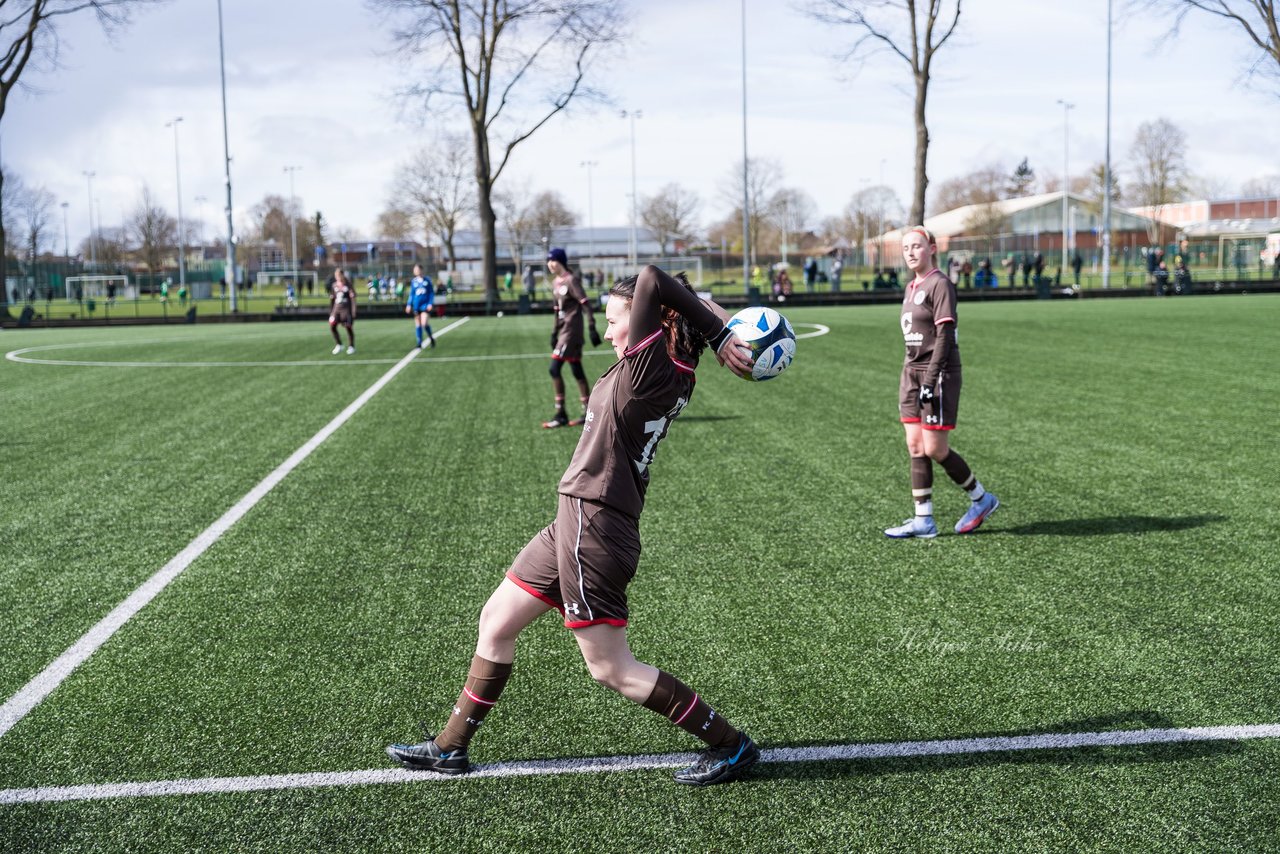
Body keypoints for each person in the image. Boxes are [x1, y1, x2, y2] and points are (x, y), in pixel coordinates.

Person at [386, 264, 761, 787]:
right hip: (577, 517)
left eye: (614, 321)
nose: (606, 332)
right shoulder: (667, 362)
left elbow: (654, 276)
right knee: (496, 620)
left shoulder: (648, 366)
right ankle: (450, 748)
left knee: (610, 669)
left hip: (597, 526)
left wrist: (721, 331)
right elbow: (674, 294)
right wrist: (710, 324)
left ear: (650, 323)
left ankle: (731, 744)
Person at [885, 226, 999, 539]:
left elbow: (945, 335)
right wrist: (913, 374)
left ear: (932, 248)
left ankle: (981, 499)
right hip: (911, 371)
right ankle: (923, 520)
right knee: (914, 445)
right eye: (906, 247)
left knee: (935, 447)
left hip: (939, 372)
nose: (910, 252)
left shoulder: (940, 284)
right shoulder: (911, 287)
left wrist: (931, 378)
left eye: (917, 246)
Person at [543, 247, 600, 428]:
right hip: (563, 331)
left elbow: (586, 305)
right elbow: (557, 311)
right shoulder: (556, 283)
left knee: (554, 368)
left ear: (561, 261)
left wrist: (591, 327)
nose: (550, 264)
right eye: (548, 260)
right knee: (576, 369)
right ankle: (587, 412)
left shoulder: (571, 280)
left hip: (572, 331)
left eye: (553, 260)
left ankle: (561, 413)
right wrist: (554, 332)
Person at [405, 264, 437, 348]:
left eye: (417, 269)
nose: (415, 271)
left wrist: (430, 303)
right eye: (414, 269)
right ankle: (419, 343)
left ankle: (431, 338)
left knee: (424, 323)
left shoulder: (427, 280)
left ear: (421, 270)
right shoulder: (414, 281)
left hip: (425, 305)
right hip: (416, 305)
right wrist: (408, 305)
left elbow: (431, 293)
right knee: (418, 324)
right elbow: (412, 294)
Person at [328, 268, 357, 354]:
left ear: (343, 275)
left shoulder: (348, 285)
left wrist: (353, 311)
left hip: (346, 310)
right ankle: (339, 344)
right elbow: (332, 299)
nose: (338, 277)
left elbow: (353, 298)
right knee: (332, 326)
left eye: (339, 275)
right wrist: (331, 312)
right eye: (336, 275)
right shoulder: (334, 286)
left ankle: (351, 346)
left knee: (348, 327)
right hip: (336, 310)